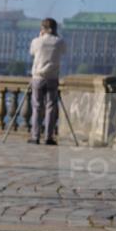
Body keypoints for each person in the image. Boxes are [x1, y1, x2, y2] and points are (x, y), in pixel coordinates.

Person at [27, 17, 66, 145]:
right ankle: (49, 137)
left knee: (37, 107)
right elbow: (64, 51)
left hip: (38, 78)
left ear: (42, 29)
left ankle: (35, 136)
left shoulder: (37, 41)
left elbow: (32, 53)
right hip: (52, 78)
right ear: (55, 29)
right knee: (50, 108)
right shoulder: (59, 41)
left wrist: (40, 37)